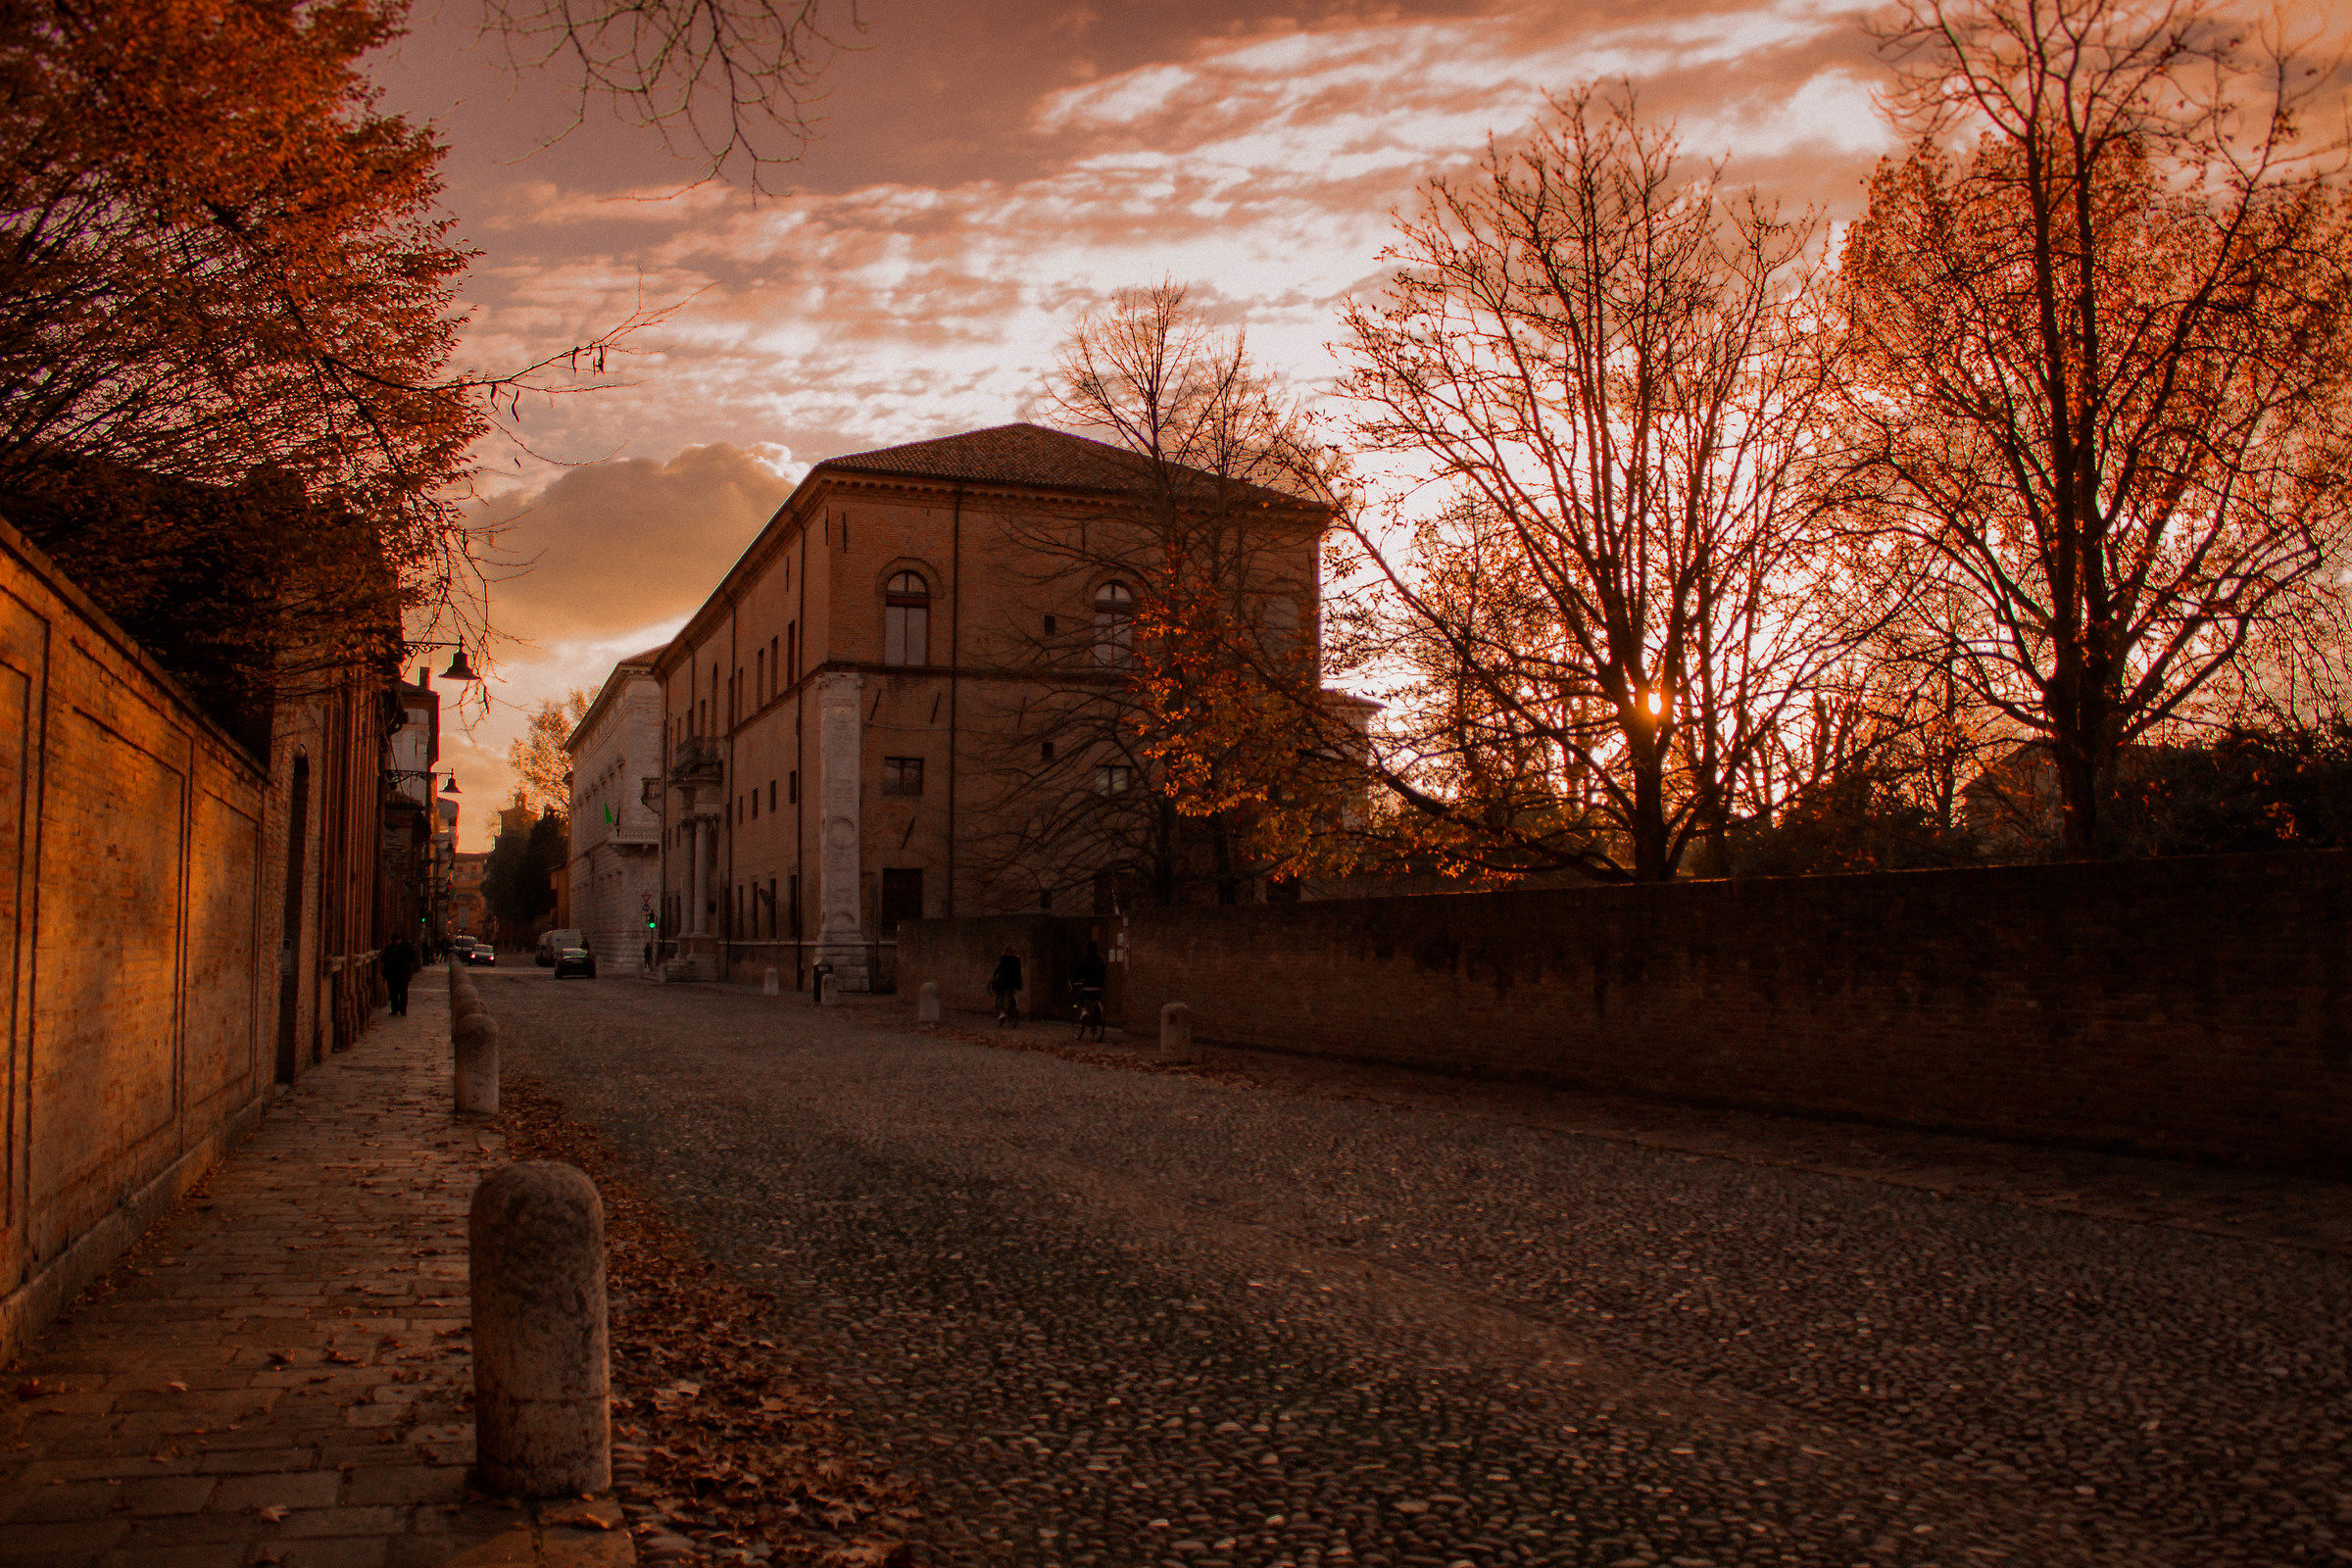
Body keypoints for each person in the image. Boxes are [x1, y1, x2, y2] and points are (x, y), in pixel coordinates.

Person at [1070, 940, 1107, 1041]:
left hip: (1088, 987)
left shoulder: (1085, 960)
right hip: (1098, 988)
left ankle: (1082, 1011)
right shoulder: (1100, 960)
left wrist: (1073, 981)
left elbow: (1079, 973)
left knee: (1080, 997)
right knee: (1095, 1000)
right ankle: (1094, 1017)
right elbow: (1104, 974)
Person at [382, 935, 417, 1017]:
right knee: (393, 993)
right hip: (393, 974)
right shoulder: (390, 948)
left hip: (403, 974)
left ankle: (402, 1010)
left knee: (403, 993)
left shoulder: (406, 947)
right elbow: (384, 959)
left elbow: (413, 958)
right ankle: (394, 1010)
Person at [988, 946, 1023, 1026]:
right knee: (1012, 993)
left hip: (1003, 981)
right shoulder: (1018, 960)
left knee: (1000, 996)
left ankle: (1002, 1013)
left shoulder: (1004, 959)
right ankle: (1016, 1006)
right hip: (1014, 982)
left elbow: (999, 969)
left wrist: (993, 976)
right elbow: (1019, 972)